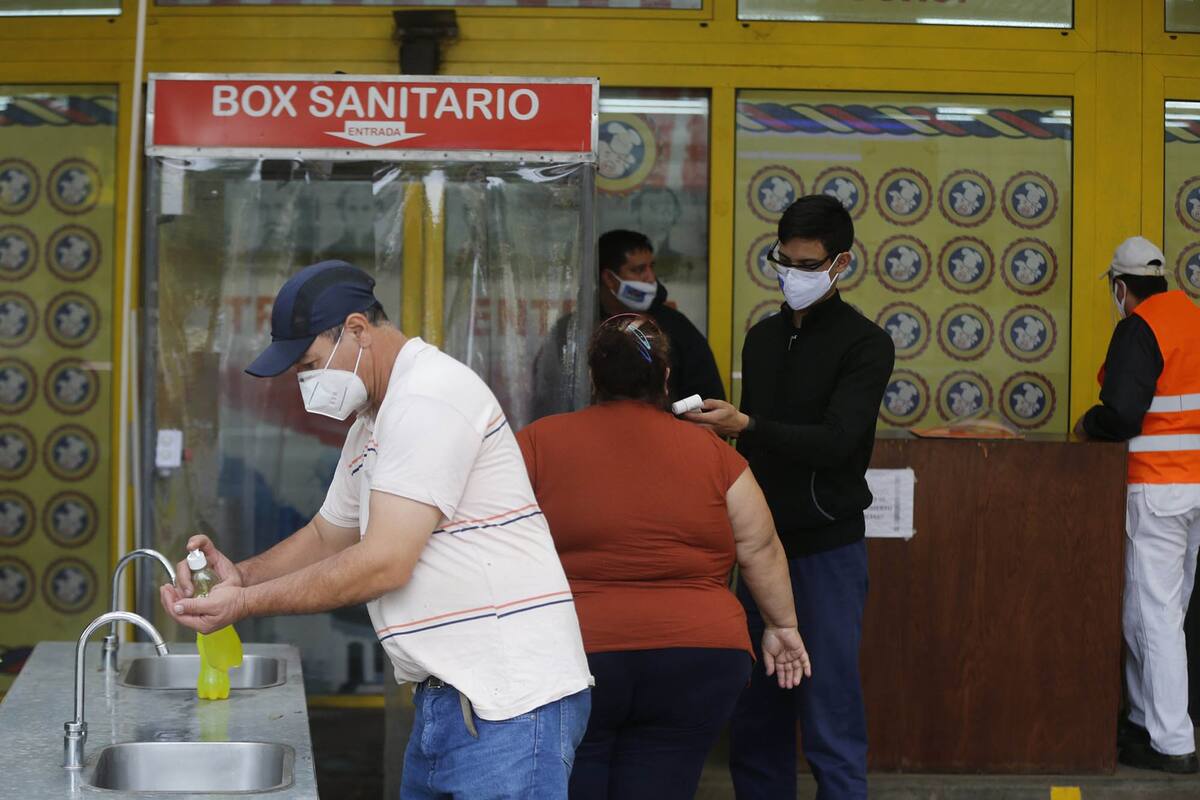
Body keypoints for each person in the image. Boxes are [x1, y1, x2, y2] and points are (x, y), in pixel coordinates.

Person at [160, 260, 593, 799]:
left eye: (309, 365)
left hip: (508, 703)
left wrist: (245, 605)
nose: (305, 384)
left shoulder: (429, 397)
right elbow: (327, 536)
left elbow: (384, 562)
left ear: (358, 329)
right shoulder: (375, 419)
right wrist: (239, 578)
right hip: (450, 700)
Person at [517, 313, 811, 800]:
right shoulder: (717, 455)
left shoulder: (536, 444)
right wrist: (783, 626)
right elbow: (760, 546)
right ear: (667, 377)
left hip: (576, 653)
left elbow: (495, 538)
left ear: (592, 376)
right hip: (698, 658)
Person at [685, 195, 895, 800]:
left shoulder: (866, 344)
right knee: (756, 706)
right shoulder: (762, 339)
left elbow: (837, 441)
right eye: (785, 261)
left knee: (828, 703)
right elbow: (754, 450)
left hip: (827, 548)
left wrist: (747, 426)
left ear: (840, 264)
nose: (793, 275)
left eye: (808, 265)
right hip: (758, 548)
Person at [1075, 236, 1200, 774]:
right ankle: (1145, 721)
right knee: (1153, 614)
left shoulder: (1139, 327)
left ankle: (1173, 743)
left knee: (1155, 618)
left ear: (1121, 287)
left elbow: (1123, 414)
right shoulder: (1193, 320)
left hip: (1157, 487)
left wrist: (1088, 423)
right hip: (1194, 489)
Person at [532, 229, 723, 418]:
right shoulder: (574, 329)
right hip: (589, 433)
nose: (650, 278)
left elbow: (707, 398)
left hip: (661, 434)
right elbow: (547, 395)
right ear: (609, 278)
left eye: (651, 267)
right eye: (638, 270)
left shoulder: (675, 327)